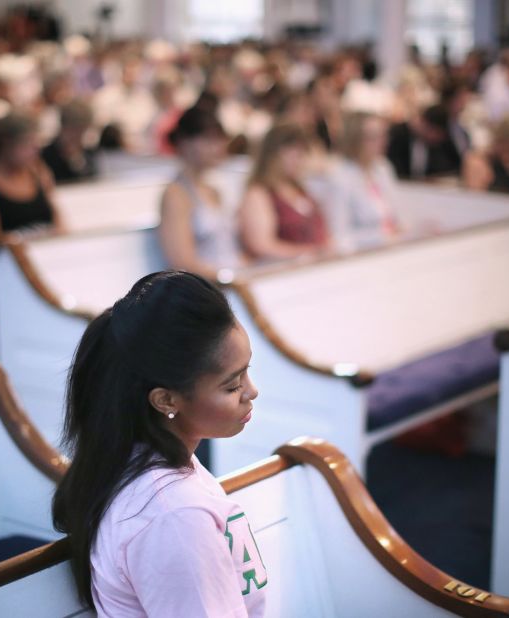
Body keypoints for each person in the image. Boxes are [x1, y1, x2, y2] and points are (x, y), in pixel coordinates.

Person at [51, 270, 266, 617]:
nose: (251, 391)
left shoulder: (147, 462)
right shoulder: (174, 516)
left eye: (246, 371)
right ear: (166, 400)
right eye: (232, 385)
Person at [157, 107, 243, 280]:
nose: (218, 147)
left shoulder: (214, 190)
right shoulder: (175, 195)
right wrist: (229, 278)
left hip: (229, 279)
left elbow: (230, 249)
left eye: (220, 139)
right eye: (208, 139)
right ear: (184, 142)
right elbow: (182, 263)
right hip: (207, 288)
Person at [238, 123, 330, 261]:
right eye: (294, 154)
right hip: (284, 271)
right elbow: (261, 245)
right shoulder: (259, 194)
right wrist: (308, 253)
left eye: (302, 154)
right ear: (273, 155)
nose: (299, 160)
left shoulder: (301, 190)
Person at [0, 114, 65, 239]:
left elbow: (57, 218)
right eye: (27, 143)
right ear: (5, 144)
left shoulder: (38, 172)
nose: (35, 150)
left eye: (36, 143)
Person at [326, 112, 406, 251]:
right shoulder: (340, 177)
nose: (383, 141)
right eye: (373, 137)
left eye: (384, 135)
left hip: (393, 248)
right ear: (354, 140)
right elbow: (340, 236)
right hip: (365, 254)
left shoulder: (383, 167)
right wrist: (381, 237)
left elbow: (397, 215)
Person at [40, 98, 99, 183]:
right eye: (76, 130)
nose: (79, 135)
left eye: (82, 130)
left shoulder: (90, 152)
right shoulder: (47, 156)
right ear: (64, 126)